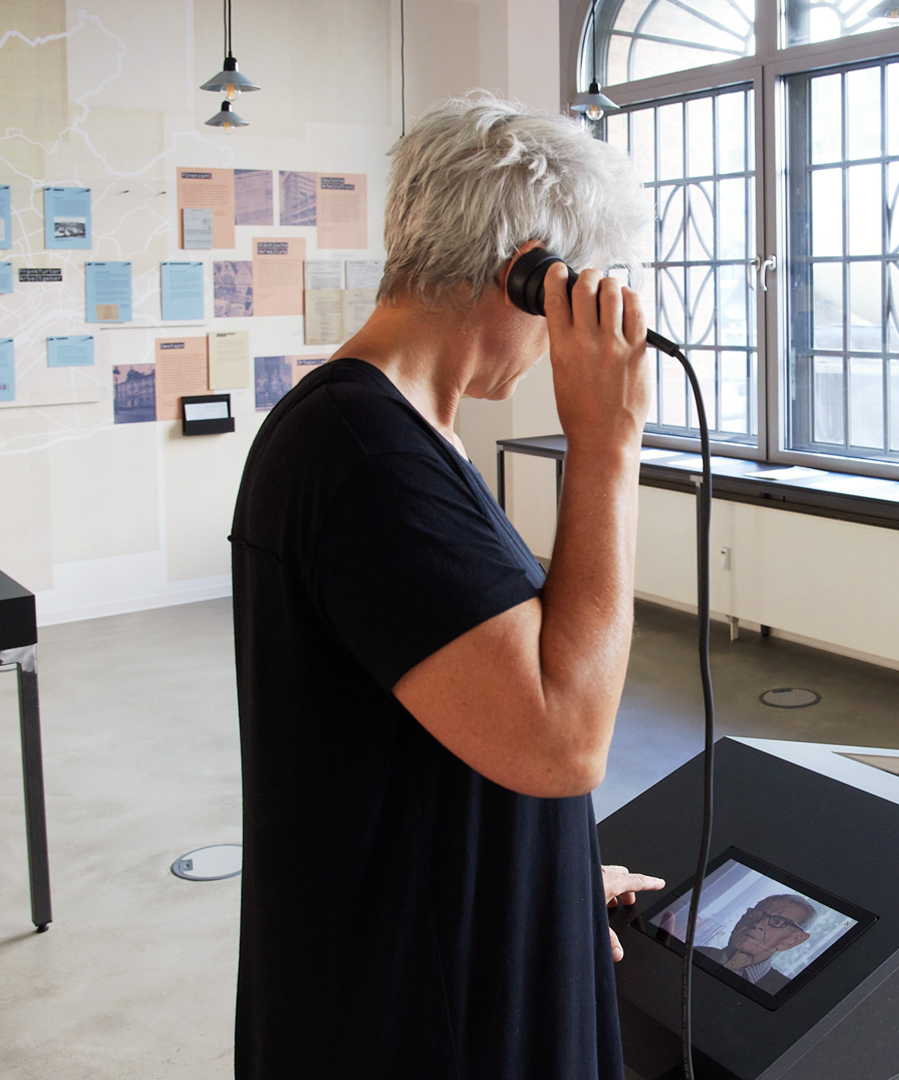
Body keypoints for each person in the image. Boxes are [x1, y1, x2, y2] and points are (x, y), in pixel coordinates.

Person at [229, 92, 664, 1079]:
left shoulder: (394, 435)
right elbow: (562, 739)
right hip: (413, 1013)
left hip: (443, 948)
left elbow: (454, 705)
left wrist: (545, 878)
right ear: (527, 274)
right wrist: (607, 444)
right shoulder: (365, 458)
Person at [696, 894, 817, 993]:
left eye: (778, 921)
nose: (758, 924)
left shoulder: (787, 992)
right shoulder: (696, 953)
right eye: (757, 914)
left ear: (793, 940)